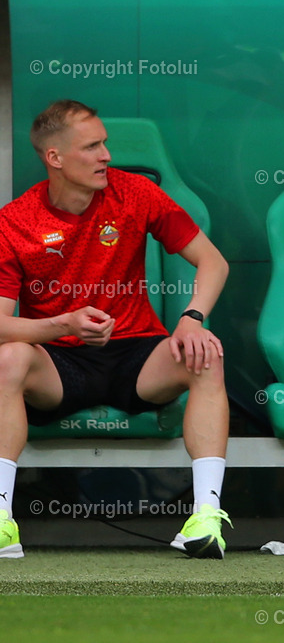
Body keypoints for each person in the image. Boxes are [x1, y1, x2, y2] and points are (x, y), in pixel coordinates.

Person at [0, 101, 232, 560]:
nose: (106, 155)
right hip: (58, 363)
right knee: (8, 357)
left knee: (205, 355)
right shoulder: (15, 221)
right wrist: (62, 323)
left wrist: (192, 318)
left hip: (136, 356)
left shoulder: (136, 193)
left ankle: (206, 518)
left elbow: (213, 261)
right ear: (55, 158)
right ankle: (2, 519)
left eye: (104, 144)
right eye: (92, 146)